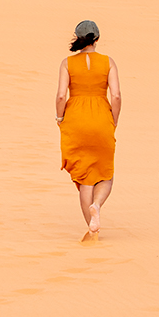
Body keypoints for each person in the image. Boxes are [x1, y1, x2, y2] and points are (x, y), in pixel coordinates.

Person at [55, 20, 121, 234]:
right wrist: (114, 120)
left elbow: (61, 95)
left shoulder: (67, 63)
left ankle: (92, 229)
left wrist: (59, 118)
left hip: (75, 120)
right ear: (97, 38)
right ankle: (97, 206)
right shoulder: (108, 62)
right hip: (102, 118)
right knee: (105, 173)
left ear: (77, 38)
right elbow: (117, 95)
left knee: (85, 178)